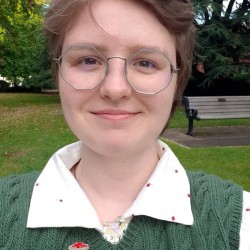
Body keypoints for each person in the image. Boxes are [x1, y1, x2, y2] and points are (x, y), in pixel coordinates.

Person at [0, 0, 249, 249]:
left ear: (177, 80)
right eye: (88, 60)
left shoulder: (239, 226)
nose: (115, 88)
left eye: (146, 63)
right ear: (59, 73)